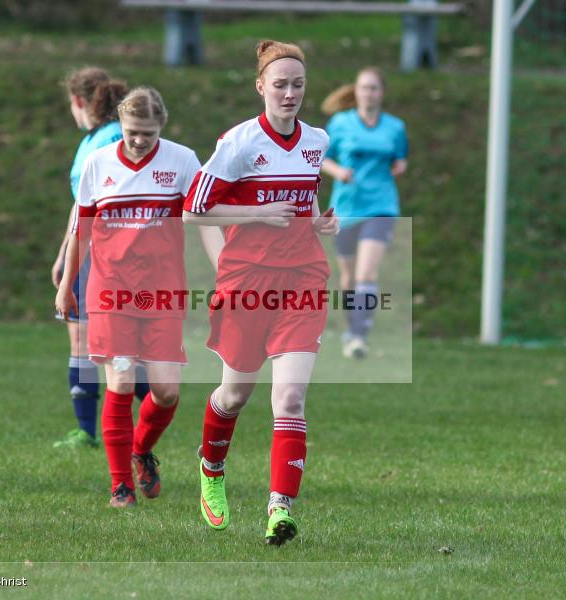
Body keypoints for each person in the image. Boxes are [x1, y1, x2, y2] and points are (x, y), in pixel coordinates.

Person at [183, 40, 339, 546]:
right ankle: (211, 468)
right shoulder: (239, 142)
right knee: (235, 394)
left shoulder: (317, 140)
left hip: (303, 280)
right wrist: (255, 214)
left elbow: (305, 191)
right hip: (247, 283)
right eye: (280, 85)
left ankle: (280, 510)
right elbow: (194, 210)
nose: (290, 93)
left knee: (290, 397)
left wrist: (317, 220)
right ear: (261, 87)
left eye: (297, 84)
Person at [56, 86, 220, 507]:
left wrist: (224, 270)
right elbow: (82, 230)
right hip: (110, 288)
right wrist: (66, 285)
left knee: (165, 393)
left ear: (161, 126)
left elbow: (203, 217)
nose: (139, 140)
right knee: (122, 379)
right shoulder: (98, 163)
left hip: (163, 289)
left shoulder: (182, 161)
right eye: (132, 131)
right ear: (120, 125)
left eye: (148, 132)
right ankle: (119, 487)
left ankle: (140, 451)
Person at [51, 67, 150, 451]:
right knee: (86, 339)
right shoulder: (96, 138)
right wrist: (65, 252)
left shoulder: (108, 138)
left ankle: (155, 401)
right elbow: (83, 202)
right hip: (93, 247)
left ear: (78, 101)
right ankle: (88, 430)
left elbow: (92, 203)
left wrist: (67, 254)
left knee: (96, 343)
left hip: (105, 251)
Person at [320, 67, 408, 359]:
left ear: (382, 92)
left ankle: (359, 337)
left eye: (373, 88)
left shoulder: (395, 127)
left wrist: (399, 167)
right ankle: (351, 328)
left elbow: (400, 159)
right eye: (363, 87)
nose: (368, 93)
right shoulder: (340, 123)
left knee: (366, 272)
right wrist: (340, 172)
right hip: (347, 207)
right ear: (355, 91)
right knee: (347, 278)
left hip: (381, 206)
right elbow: (323, 159)